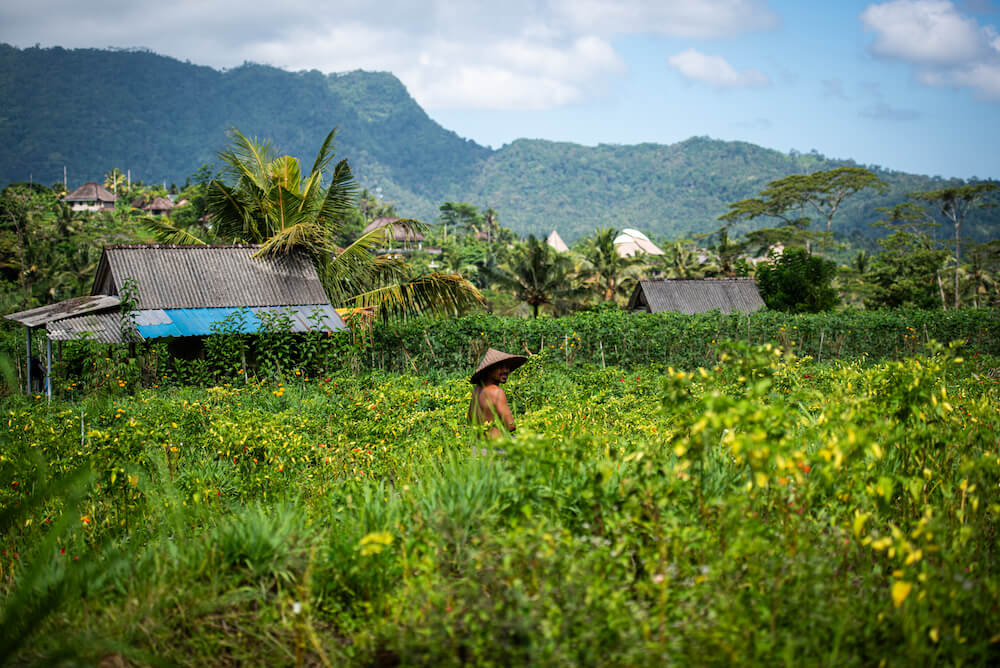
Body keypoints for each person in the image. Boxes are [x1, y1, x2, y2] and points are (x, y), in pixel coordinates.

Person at [468, 348, 527, 440]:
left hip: (478, 446)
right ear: (489, 369)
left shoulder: (477, 389)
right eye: (500, 367)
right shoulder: (496, 392)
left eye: (507, 367)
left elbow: (470, 420)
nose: (506, 370)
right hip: (497, 447)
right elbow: (511, 426)